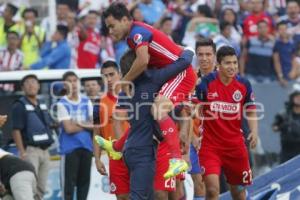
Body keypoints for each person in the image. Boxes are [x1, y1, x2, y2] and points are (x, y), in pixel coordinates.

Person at [103, 2, 197, 178]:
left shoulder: (136, 33)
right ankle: (116, 147)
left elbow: (143, 60)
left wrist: (124, 80)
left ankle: (177, 159)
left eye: (112, 26)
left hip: (180, 74)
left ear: (124, 20)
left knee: (157, 109)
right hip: (170, 74)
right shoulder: (135, 34)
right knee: (145, 114)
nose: (110, 31)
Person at [96, 48, 194, 199]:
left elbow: (184, 113)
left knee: (164, 193)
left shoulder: (146, 82)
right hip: (141, 145)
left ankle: (176, 157)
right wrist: (186, 51)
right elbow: (184, 60)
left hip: (159, 145)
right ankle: (116, 146)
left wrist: (184, 140)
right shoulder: (135, 87)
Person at [196, 46, 258, 200]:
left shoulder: (244, 84)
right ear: (218, 65)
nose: (232, 67)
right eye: (228, 63)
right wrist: (193, 134)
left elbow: (250, 110)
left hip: (235, 147)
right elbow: (193, 109)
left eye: (235, 63)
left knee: (238, 193)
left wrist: (254, 132)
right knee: (211, 190)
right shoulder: (206, 82)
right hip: (210, 146)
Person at [11, 74, 54, 200]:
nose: (31, 85)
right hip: (30, 151)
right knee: (30, 186)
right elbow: (16, 130)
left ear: (39, 86)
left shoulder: (42, 104)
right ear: (23, 88)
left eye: (34, 82)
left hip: (46, 151)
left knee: (41, 187)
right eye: (28, 83)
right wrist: (22, 152)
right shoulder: (19, 105)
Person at [93, 61, 130, 200]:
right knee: (122, 197)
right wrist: (97, 159)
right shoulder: (98, 103)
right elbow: (96, 133)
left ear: (120, 74)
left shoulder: (131, 96)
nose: (108, 79)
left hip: (135, 155)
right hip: (114, 158)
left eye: (111, 75)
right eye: (104, 76)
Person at [56, 71, 93, 200]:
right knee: (68, 187)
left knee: (84, 185)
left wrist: (77, 122)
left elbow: (94, 124)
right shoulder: (62, 103)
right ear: (65, 86)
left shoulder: (86, 101)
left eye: (75, 80)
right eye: (69, 81)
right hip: (69, 149)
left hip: (87, 147)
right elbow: (69, 128)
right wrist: (85, 124)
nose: (73, 84)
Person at [272, 89, 300, 163]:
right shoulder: (283, 114)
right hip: (287, 151)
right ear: (292, 98)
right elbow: (274, 128)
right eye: (297, 97)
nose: (299, 99)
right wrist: (282, 126)